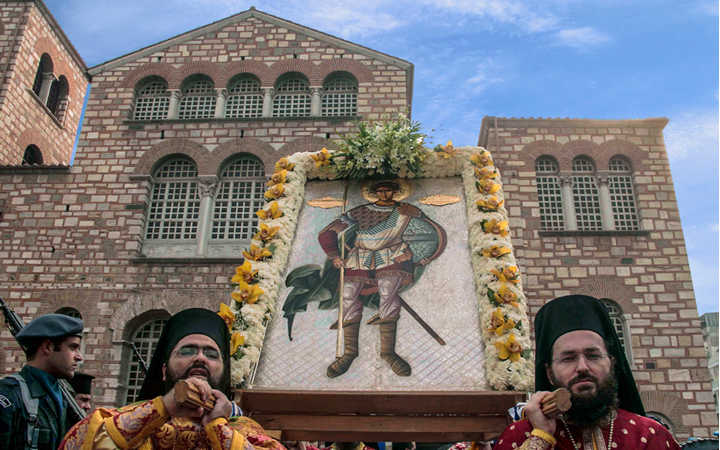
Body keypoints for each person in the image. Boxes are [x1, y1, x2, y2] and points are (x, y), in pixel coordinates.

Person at [59, 308, 284, 450]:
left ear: (223, 373)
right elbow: (80, 442)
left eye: (211, 354)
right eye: (187, 351)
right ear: (164, 371)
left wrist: (218, 427)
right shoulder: (129, 418)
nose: (200, 358)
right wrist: (165, 407)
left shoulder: (243, 430)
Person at [493, 294, 680, 450]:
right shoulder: (520, 436)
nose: (582, 366)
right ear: (549, 373)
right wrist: (541, 437)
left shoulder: (648, 435)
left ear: (612, 364)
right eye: (568, 358)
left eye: (593, 355)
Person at [318, 180, 446, 378]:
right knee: (349, 296)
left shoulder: (406, 210)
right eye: (380, 190)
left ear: (395, 192)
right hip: (360, 256)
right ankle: (349, 353)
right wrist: (334, 255)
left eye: (389, 191)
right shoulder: (359, 212)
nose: (385, 194)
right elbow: (327, 233)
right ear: (374, 192)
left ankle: (388, 353)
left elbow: (432, 232)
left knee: (388, 295)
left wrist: (418, 256)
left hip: (393, 255)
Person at [0, 313, 84, 450]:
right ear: (48, 347)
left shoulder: (63, 399)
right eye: (73, 348)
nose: (79, 357)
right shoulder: (9, 396)